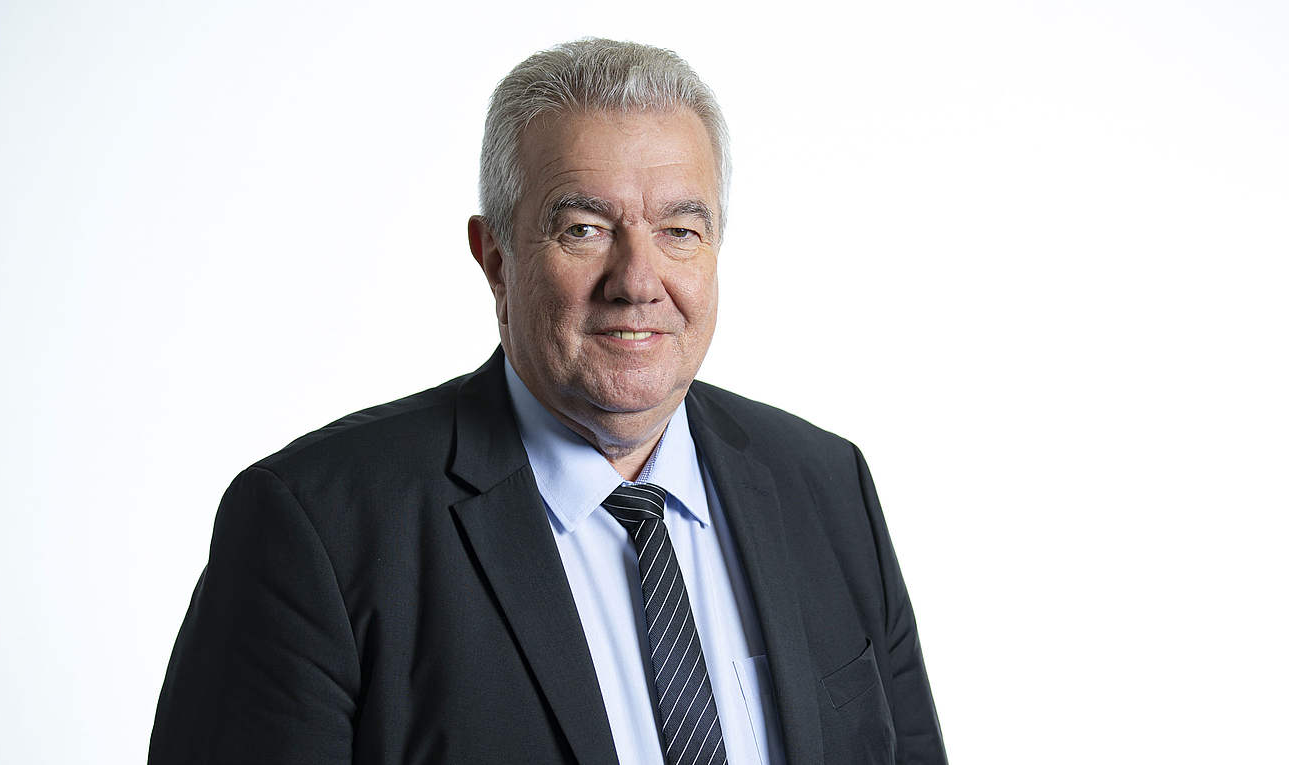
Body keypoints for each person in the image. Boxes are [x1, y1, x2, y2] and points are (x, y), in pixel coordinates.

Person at [149, 38, 947, 765]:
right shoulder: (316, 529)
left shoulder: (828, 486)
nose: (638, 282)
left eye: (680, 230)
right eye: (585, 228)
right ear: (496, 258)